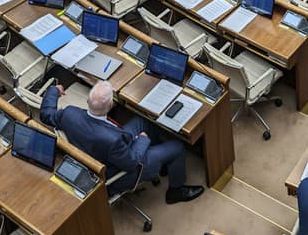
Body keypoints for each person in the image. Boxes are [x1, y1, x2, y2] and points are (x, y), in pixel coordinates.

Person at [41, 81, 202, 204]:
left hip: (107, 147)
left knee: (144, 121)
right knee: (178, 147)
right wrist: (143, 140)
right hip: (120, 172)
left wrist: (54, 90)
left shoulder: (69, 114)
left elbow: (46, 114)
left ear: (88, 101)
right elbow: (132, 162)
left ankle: (163, 160)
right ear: (111, 105)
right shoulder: (113, 141)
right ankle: (175, 190)